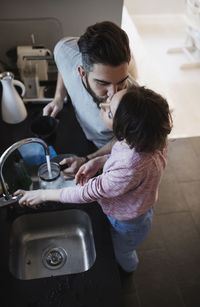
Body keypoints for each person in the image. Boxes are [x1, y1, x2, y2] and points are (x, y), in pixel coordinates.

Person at [15, 85, 172, 274]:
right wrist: (100, 161)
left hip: (127, 222)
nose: (103, 106)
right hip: (137, 204)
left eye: (110, 112)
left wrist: (42, 194)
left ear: (125, 131)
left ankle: (128, 270)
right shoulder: (150, 138)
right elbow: (127, 160)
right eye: (109, 101)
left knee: (123, 251)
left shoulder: (131, 165)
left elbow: (87, 192)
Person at [43, 21, 138, 179]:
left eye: (121, 81)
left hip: (109, 153)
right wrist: (59, 97)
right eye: (103, 83)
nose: (112, 94)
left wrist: (88, 159)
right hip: (83, 134)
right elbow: (63, 64)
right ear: (81, 72)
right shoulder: (64, 49)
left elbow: (127, 141)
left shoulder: (134, 99)